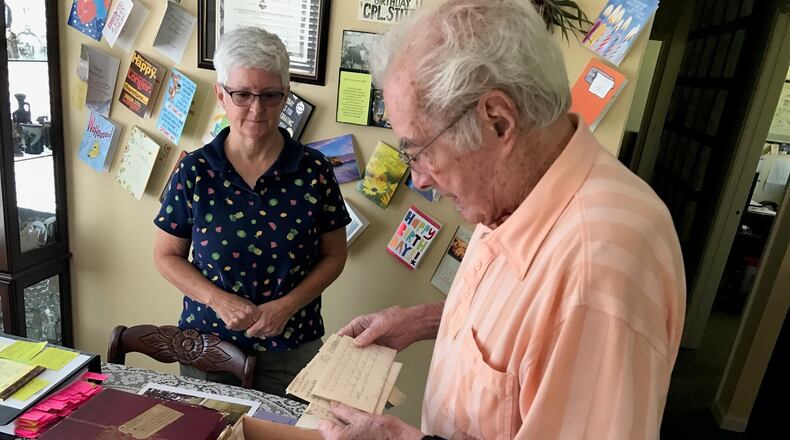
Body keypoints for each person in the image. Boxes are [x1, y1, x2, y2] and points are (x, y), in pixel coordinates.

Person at [318, 0, 686, 439]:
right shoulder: (517, 195)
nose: (419, 177)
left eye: (419, 151)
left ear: (497, 120)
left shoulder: (598, 269)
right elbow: (529, 333)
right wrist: (422, 320)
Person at [153, 26, 350, 396]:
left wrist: (287, 306)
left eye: (271, 95)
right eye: (242, 94)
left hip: (293, 347)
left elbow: (335, 255)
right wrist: (218, 300)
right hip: (207, 346)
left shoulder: (315, 171)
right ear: (220, 94)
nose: (257, 109)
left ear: (285, 95)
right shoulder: (195, 171)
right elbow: (165, 256)